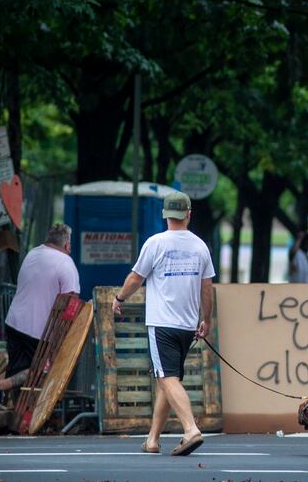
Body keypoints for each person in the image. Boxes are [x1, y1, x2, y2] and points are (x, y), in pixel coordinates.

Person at [112, 191, 214, 456]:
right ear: (188, 214)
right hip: (187, 326)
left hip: (162, 324)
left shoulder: (155, 243)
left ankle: (190, 429)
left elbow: (136, 278)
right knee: (168, 380)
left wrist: (119, 298)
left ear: (166, 215)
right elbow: (207, 288)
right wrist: (206, 319)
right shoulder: (200, 246)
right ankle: (153, 440)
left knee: (167, 378)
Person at [0, 223, 80, 410]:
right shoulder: (66, 263)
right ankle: (3, 386)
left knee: (17, 367)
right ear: (66, 245)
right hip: (38, 330)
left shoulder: (33, 253)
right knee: (43, 371)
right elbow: (71, 304)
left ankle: (15, 412)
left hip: (14, 321)